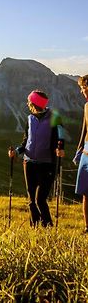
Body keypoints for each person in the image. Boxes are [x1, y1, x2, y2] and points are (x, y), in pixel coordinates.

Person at [8, 90, 65, 227]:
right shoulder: (30, 118)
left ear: (34, 102)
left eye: (29, 101)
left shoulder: (54, 117)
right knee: (31, 200)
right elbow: (26, 140)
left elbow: (61, 136)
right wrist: (16, 152)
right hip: (29, 162)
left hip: (47, 163)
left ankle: (48, 227)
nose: (27, 104)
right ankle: (34, 228)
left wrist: (60, 148)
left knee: (40, 199)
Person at [73, 75, 88, 233]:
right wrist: (79, 150)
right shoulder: (86, 106)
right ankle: (87, 227)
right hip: (86, 151)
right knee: (85, 192)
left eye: (83, 88)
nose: (81, 91)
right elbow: (84, 130)